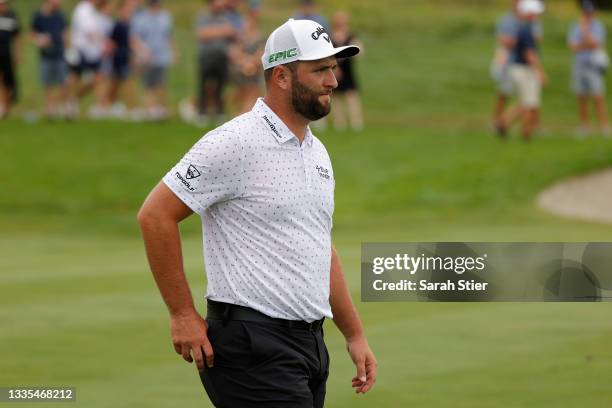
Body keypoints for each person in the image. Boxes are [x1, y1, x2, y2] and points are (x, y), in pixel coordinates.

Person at [138, 18, 377, 408]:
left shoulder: (316, 152)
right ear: (281, 76)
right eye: (320, 69)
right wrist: (182, 313)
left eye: (333, 68)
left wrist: (353, 334)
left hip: (309, 345)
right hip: (251, 344)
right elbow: (155, 215)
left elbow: (320, 248)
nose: (333, 80)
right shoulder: (234, 142)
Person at [491, 0, 542, 136]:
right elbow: (529, 52)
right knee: (527, 102)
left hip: (517, 66)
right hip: (520, 67)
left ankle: (507, 124)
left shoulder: (526, 27)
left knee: (526, 102)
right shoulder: (525, 28)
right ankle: (508, 125)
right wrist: (540, 71)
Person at [568, 0, 611, 137]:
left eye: (589, 12)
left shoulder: (597, 26)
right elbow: (573, 47)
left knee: (598, 96)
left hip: (593, 66)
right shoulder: (575, 26)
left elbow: (596, 44)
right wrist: (586, 43)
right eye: (585, 12)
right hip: (579, 64)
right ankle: (584, 126)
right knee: (582, 97)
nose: (588, 15)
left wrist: (585, 32)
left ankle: (605, 126)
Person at [194, 0, 238, 123]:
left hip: (222, 56)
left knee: (220, 85)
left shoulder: (225, 17)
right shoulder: (203, 16)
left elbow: (233, 33)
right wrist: (222, 31)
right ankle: (202, 112)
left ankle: (219, 111)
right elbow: (202, 34)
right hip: (206, 56)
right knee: (204, 84)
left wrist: (216, 31)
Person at [65, 0, 110, 119]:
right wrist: (104, 43)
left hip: (93, 52)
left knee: (97, 79)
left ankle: (74, 101)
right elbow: (89, 31)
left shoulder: (93, 10)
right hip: (81, 50)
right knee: (75, 78)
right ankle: (70, 105)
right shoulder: (83, 9)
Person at [131, 0, 175, 121]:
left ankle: (161, 109)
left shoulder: (165, 17)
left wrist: (174, 52)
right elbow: (135, 38)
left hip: (162, 56)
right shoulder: (140, 18)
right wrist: (142, 51)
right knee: (149, 84)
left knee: (161, 83)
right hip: (147, 57)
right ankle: (150, 109)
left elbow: (169, 36)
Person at [31, 0, 68, 120]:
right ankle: (50, 109)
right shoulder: (38, 16)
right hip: (46, 56)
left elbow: (65, 33)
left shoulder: (60, 15)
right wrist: (39, 41)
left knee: (63, 83)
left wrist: (67, 47)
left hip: (60, 55)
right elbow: (32, 34)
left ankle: (63, 107)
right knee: (48, 83)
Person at [331, 11, 364, 131]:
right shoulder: (330, 37)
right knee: (336, 98)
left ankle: (356, 123)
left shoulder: (351, 36)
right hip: (335, 71)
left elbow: (359, 51)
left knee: (352, 97)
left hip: (348, 70)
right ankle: (339, 124)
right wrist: (334, 68)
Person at [105, 0, 138, 119]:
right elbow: (111, 42)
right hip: (118, 58)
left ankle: (128, 107)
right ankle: (112, 106)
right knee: (116, 84)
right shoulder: (118, 25)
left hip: (125, 57)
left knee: (126, 82)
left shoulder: (130, 24)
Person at [228, 9, 264, 113]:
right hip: (240, 70)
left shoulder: (259, 39)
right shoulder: (239, 39)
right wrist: (245, 62)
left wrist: (250, 63)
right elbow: (234, 53)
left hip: (254, 71)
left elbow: (260, 55)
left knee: (251, 74)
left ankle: (246, 108)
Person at [0, 0, 21, 119]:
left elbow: (17, 37)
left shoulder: (12, 16)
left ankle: (6, 108)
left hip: (7, 54)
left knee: (8, 82)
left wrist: (18, 54)